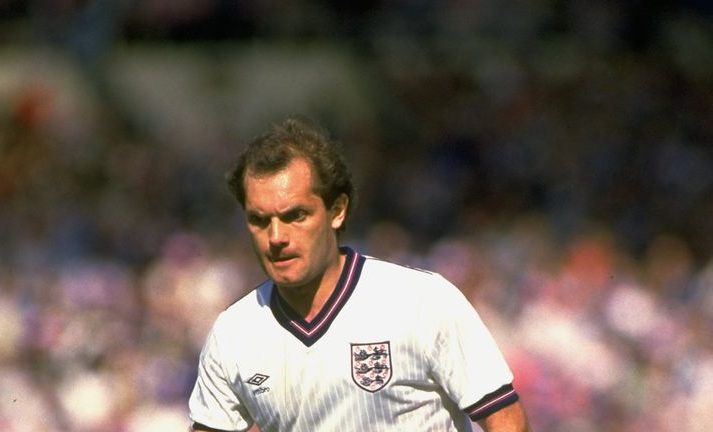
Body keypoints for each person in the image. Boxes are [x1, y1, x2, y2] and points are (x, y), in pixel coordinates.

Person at [188, 116, 532, 431]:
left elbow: (506, 421)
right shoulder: (234, 333)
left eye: (295, 216)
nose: (276, 237)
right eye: (260, 220)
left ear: (336, 211)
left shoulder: (422, 302)